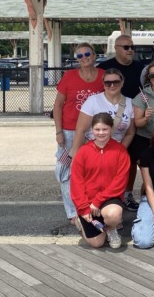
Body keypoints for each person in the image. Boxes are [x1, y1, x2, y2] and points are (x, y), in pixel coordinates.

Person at [70, 68, 138, 210]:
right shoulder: (93, 101)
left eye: (115, 82)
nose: (112, 85)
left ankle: (111, 216)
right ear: (103, 83)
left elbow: (130, 132)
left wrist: (120, 150)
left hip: (115, 151)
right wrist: (76, 156)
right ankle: (86, 212)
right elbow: (81, 130)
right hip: (93, 148)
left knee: (114, 184)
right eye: (108, 83)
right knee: (92, 182)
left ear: (122, 82)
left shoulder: (130, 103)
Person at [52, 42, 105, 226]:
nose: (84, 58)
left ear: (95, 55)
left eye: (87, 54)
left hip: (93, 132)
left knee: (91, 170)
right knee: (67, 171)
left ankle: (89, 207)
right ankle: (73, 212)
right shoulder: (69, 76)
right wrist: (58, 131)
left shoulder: (103, 77)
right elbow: (58, 105)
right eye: (79, 56)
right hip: (69, 131)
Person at [69, 112, 129, 249]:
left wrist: (98, 201)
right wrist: (84, 208)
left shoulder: (120, 151)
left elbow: (120, 182)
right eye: (97, 129)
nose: (101, 133)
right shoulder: (83, 152)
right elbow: (76, 183)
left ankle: (111, 228)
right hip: (88, 202)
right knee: (97, 243)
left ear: (111, 129)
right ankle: (81, 220)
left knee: (113, 215)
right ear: (92, 130)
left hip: (109, 199)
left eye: (105, 129)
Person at [97, 34, 144, 99]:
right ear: (116, 48)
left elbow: (145, 90)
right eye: (126, 47)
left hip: (135, 106)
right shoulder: (103, 68)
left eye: (132, 47)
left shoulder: (141, 68)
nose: (130, 50)